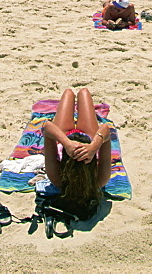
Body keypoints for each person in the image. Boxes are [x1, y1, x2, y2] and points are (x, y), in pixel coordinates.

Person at [41, 88, 112, 219]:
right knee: (83, 92)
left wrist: (66, 143)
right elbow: (105, 129)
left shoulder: (57, 177)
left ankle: (72, 97)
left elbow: (47, 127)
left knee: (68, 93)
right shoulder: (99, 179)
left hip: (65, 135)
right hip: (88, 136)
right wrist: (93, 146)